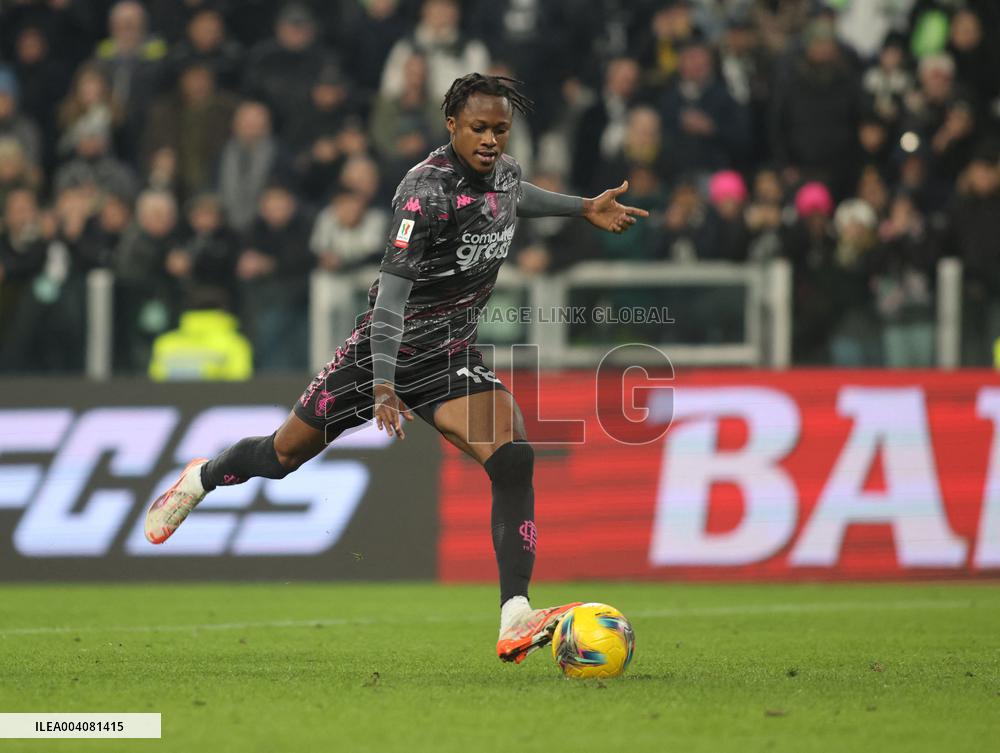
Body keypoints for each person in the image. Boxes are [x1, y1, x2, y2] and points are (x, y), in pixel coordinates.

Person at [144, 73, 647, 664]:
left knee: (513, 455)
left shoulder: (505, 173)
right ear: (452, 126)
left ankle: (516, 614)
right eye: (479, 128)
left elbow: (516, 197)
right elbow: (389, 302)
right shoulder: (422, 191)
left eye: (500, 129)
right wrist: (382, 385)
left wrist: (584, 206)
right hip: (382, 352)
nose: (491, 140)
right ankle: (202, 477)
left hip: (449, 356)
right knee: (281, 457)